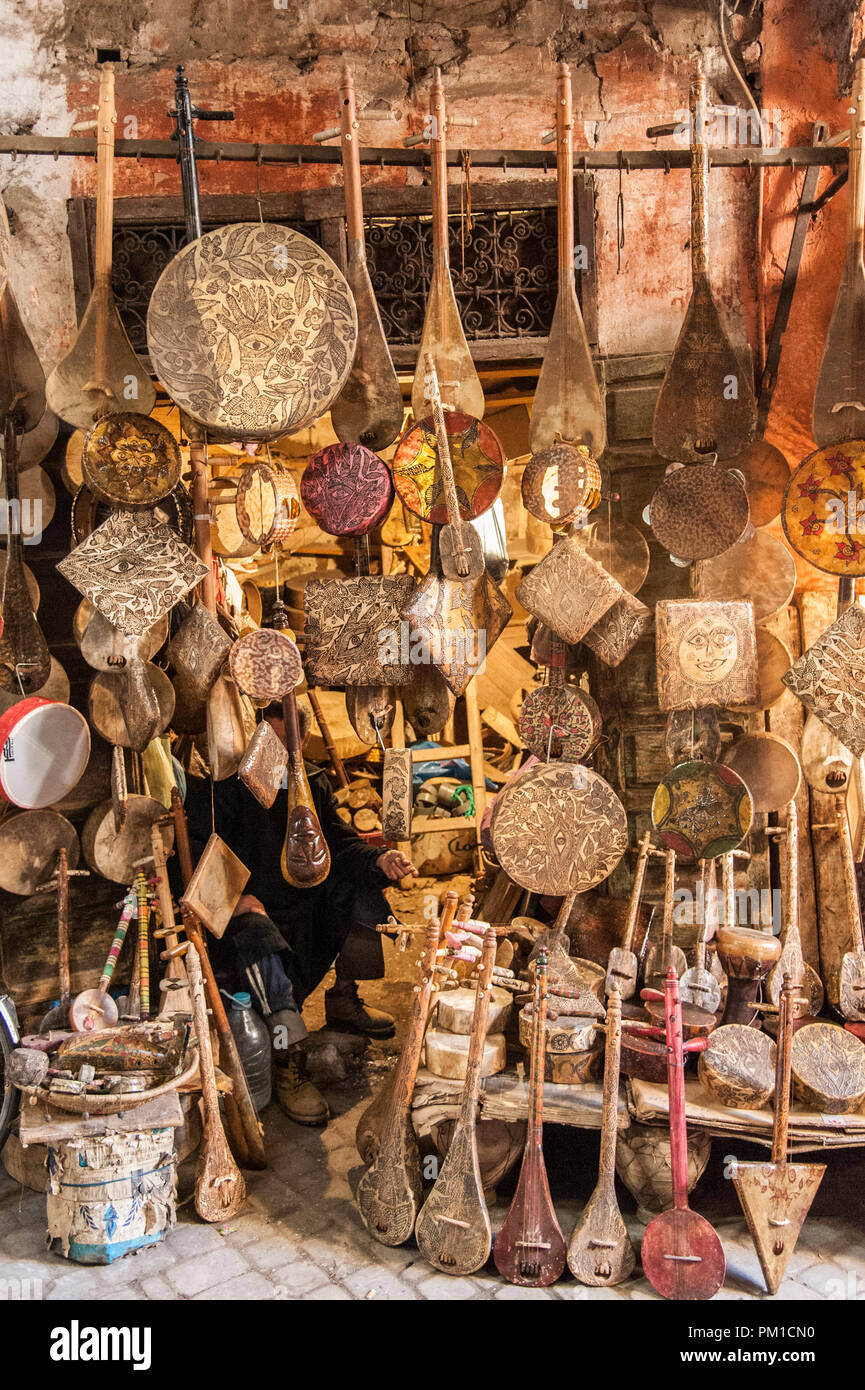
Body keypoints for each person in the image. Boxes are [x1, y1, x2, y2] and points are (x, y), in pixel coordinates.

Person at [183, 701, 416, 1126]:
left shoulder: (311, 781)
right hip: (252, 912)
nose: (272, 752)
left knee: (362, 889)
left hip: (304, 903)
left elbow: (339, 844)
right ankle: (286, 1054)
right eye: (264, 741)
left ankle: (343, 999)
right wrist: (231, 900)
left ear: (301, 742)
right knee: (258, 936)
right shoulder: (227, 787)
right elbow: (196, 851)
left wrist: (379, 860)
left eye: (283, 742)